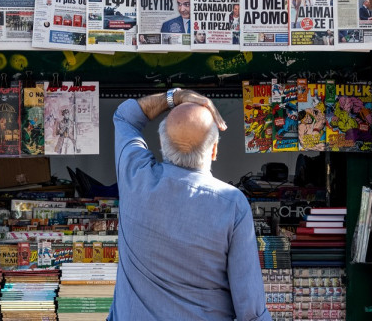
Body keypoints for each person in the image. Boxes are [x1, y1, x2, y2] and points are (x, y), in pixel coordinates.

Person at [109, 89, 270, 321]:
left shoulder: (135, 177)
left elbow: (125, 116)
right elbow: (251, 313)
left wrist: (175, 97)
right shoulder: (232, 205)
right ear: (214, 150)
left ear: (162, 145)